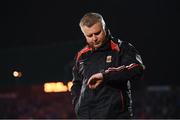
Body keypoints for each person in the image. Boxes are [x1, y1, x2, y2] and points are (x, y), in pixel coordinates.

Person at [71, 12, 145, 119]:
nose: (94, 38)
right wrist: (78, 107)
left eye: (97, 33)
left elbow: (138, 67)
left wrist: (105, 76)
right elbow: (76, 84)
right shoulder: (81, 55)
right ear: (84, 35)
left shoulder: (121, 48)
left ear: (104, 28)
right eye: (89, 35)